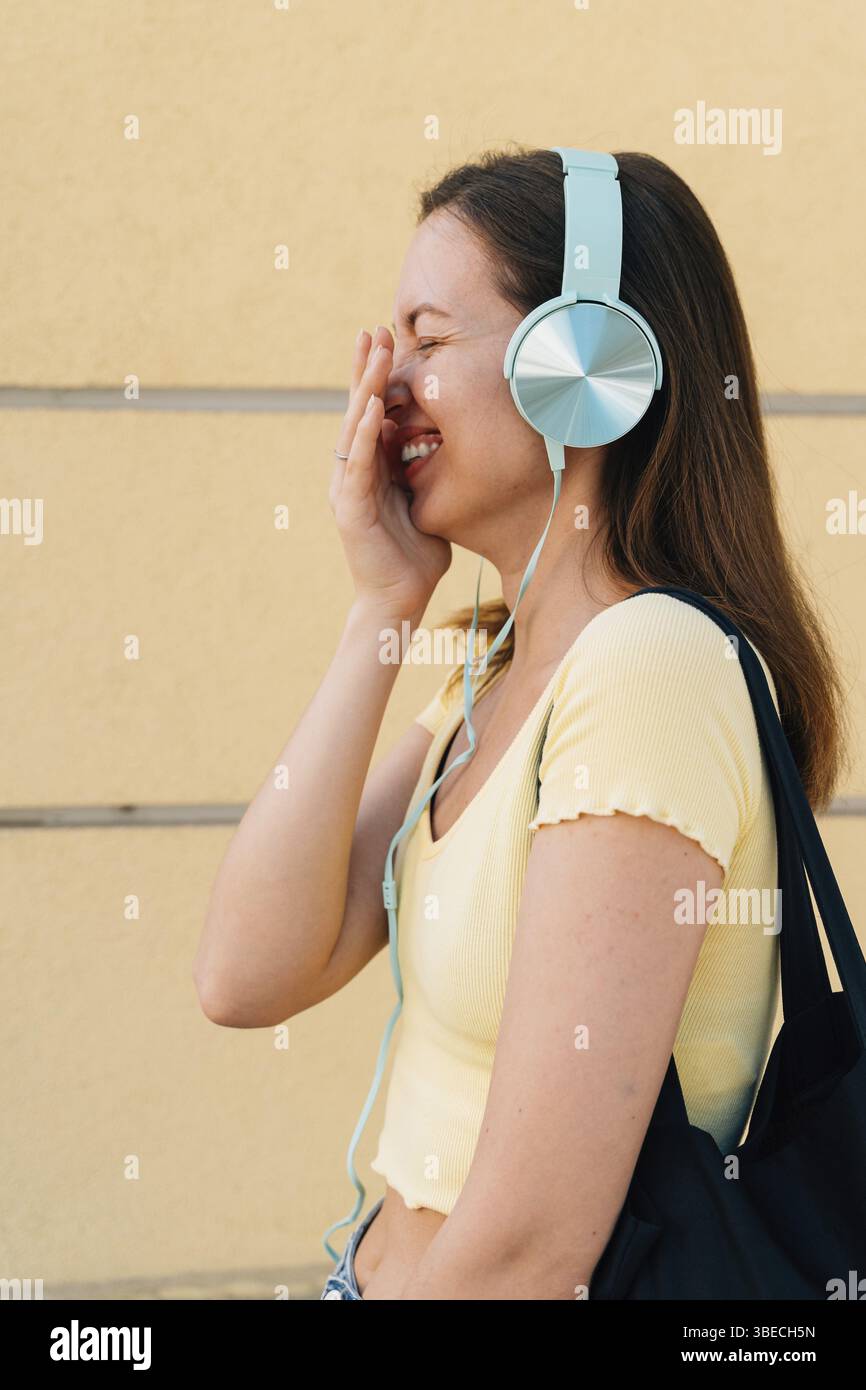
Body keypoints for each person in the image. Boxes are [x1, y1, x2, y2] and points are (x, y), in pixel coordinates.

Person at [194, 147, 851, 1300]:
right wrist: (382, 607)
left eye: (428, 337)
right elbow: (247, 973)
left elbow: (528, 1251)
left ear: (582, 362)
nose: (383, 386)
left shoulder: (646, 668)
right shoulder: (497, 671)